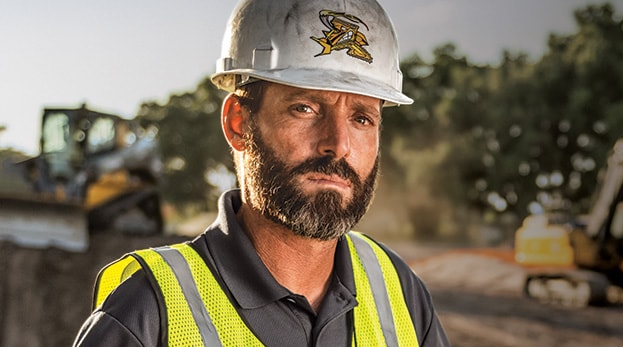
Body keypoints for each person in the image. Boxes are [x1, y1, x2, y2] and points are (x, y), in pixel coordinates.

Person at [72, 0, 449, 345]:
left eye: (362, 118)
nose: (338, 144)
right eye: (305, 108)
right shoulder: (148, 314)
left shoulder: (398, 291)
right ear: (239, 123)